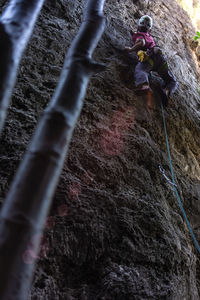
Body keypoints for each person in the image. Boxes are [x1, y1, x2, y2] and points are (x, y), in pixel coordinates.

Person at [125, 15, 178, 100]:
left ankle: (144, 86)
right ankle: (167, 91)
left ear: (137, 26)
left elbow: (141, 42)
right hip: (161, 59)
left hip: (150, 57)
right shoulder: (149, 37)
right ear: (150, 30)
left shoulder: (139, 35)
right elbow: (143, 39)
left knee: (141, 70)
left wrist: (131, 49)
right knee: (172, 81)